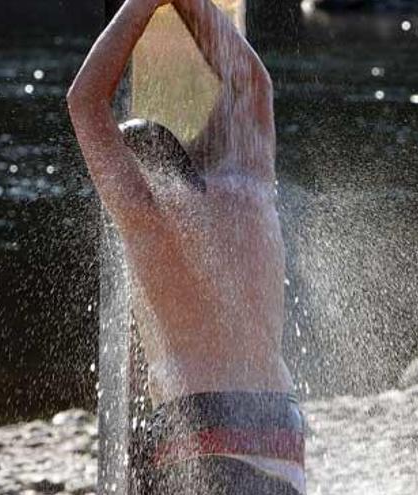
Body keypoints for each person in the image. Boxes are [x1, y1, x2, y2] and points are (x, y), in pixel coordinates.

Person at [67, 0, 305, 493]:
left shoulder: (142, 215)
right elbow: (252, 84)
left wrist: (139, 6)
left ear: (137, 176)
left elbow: (85, 101)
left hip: (197, 425)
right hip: (279, 425)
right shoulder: (250, 185)